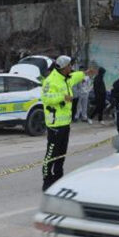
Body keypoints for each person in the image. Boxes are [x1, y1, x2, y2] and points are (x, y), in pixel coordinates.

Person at [41, 55, 86, 191]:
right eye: (69, 66)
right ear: (64, 67)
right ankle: (47, 180)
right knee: (51, 153)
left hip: (65, 123)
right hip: (54, 124)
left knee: (61, 153)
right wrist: (63, 97)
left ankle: (58, 177)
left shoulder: (66, 78)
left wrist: (85, 73)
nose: (71, 68)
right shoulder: (50, 80)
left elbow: (75, 76)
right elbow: (46, 98)